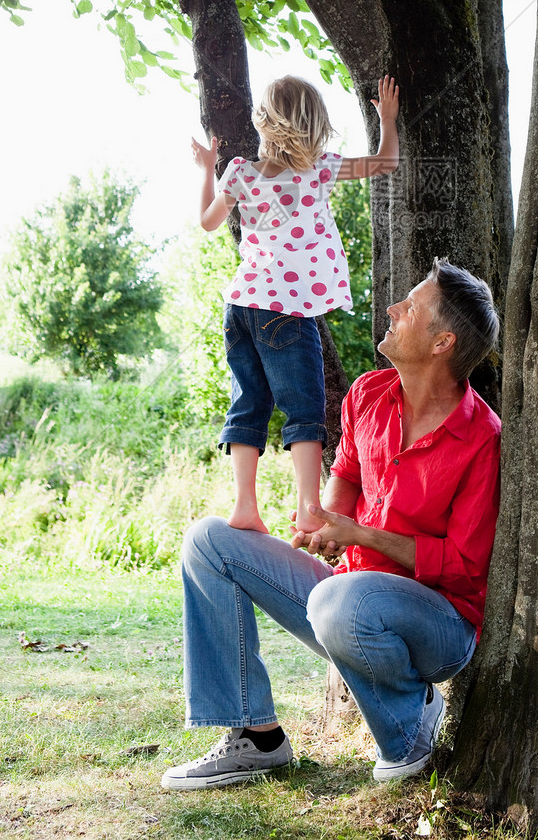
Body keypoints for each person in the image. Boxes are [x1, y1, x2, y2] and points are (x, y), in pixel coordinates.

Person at [161, 258, 501, 790]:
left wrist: (359, 535)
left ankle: (409, 729)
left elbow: (462, 566)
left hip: (437, 625)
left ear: (443, 343)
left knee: (340, 601)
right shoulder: (368, 393)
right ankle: (257, 738)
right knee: (209, 541)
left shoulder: (483, 438)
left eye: (410, 307)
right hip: (342, 603)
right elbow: (346, 475)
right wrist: (323, 522)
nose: (393, 309)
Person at [191, 74, 400, 535]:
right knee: (304, 409)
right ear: (315, 125)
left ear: (263, 122)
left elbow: (208, 223)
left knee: (247, 405)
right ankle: (308, 509)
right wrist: (386, 119)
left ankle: (245, 505)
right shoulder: (320, 169)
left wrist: (207, 167)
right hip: (288, 310)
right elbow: (385, 163)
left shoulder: (240, 172)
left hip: (241, 305)